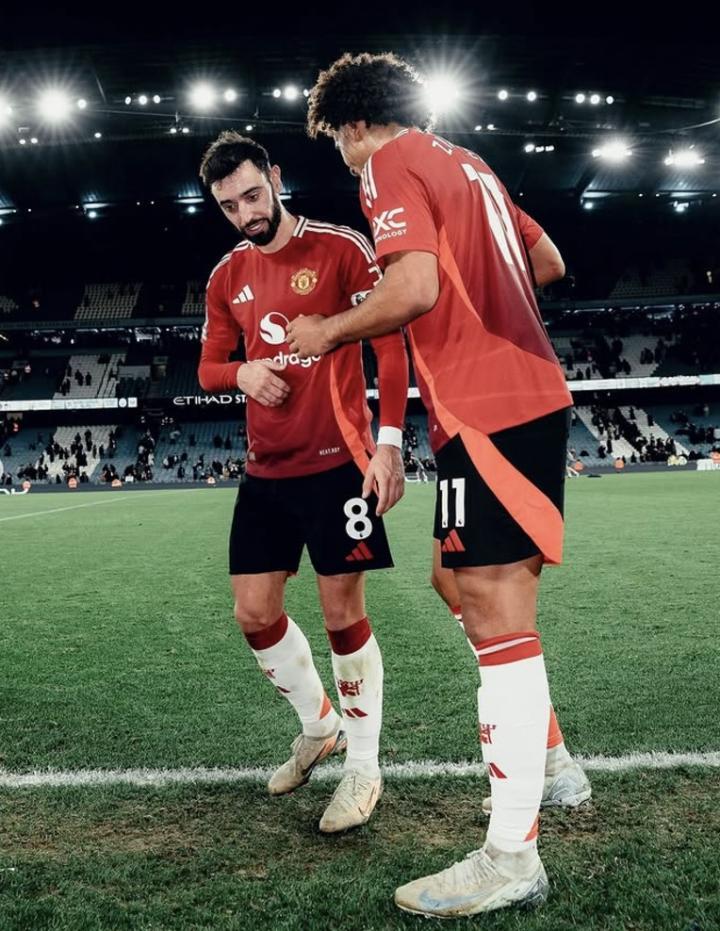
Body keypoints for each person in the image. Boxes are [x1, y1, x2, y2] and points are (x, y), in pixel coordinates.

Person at [289, 51, 587, 916]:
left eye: (337, 140)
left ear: (353, 124)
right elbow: (549, 261)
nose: (343, 156)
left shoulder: (387, 164)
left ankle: (511, 855)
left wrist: (329, 330)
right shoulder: (471, 165)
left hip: (492, 403)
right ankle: (552, 764)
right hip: (501, 400)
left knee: (494, 604)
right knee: (454, 582)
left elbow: (414, 286)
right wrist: (485, 306)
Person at [197, 131, 409, 833]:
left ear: (276, 177)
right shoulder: (226, 277)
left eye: (253, 195)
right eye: (229, 205)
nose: (246, 213)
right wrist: (242, 373)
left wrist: (388, 445)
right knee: (253, 613)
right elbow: (208, 368)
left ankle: (364, 767)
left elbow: (390, 345)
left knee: (342, 614)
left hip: (339, 463)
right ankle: (320, 726)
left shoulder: (341, 248)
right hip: (266, 470)